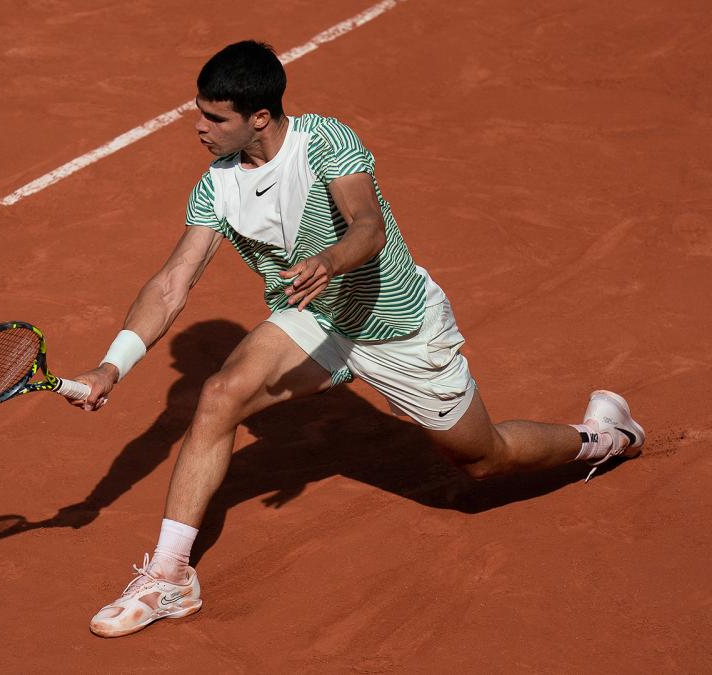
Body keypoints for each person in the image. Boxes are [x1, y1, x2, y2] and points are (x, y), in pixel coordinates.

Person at [69, 40, 645, 639]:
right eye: (200, 112)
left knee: (482, 460)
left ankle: (608, 436)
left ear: (258, 117)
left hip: (396, 325)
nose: (199, 128)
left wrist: (330, 259)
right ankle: (170, 578)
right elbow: (170, 284)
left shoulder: (325, 141)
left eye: (215, 118)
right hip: (317, 319)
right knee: (219, 395)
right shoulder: (217, 187)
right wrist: (112, 367)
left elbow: (367, 225)